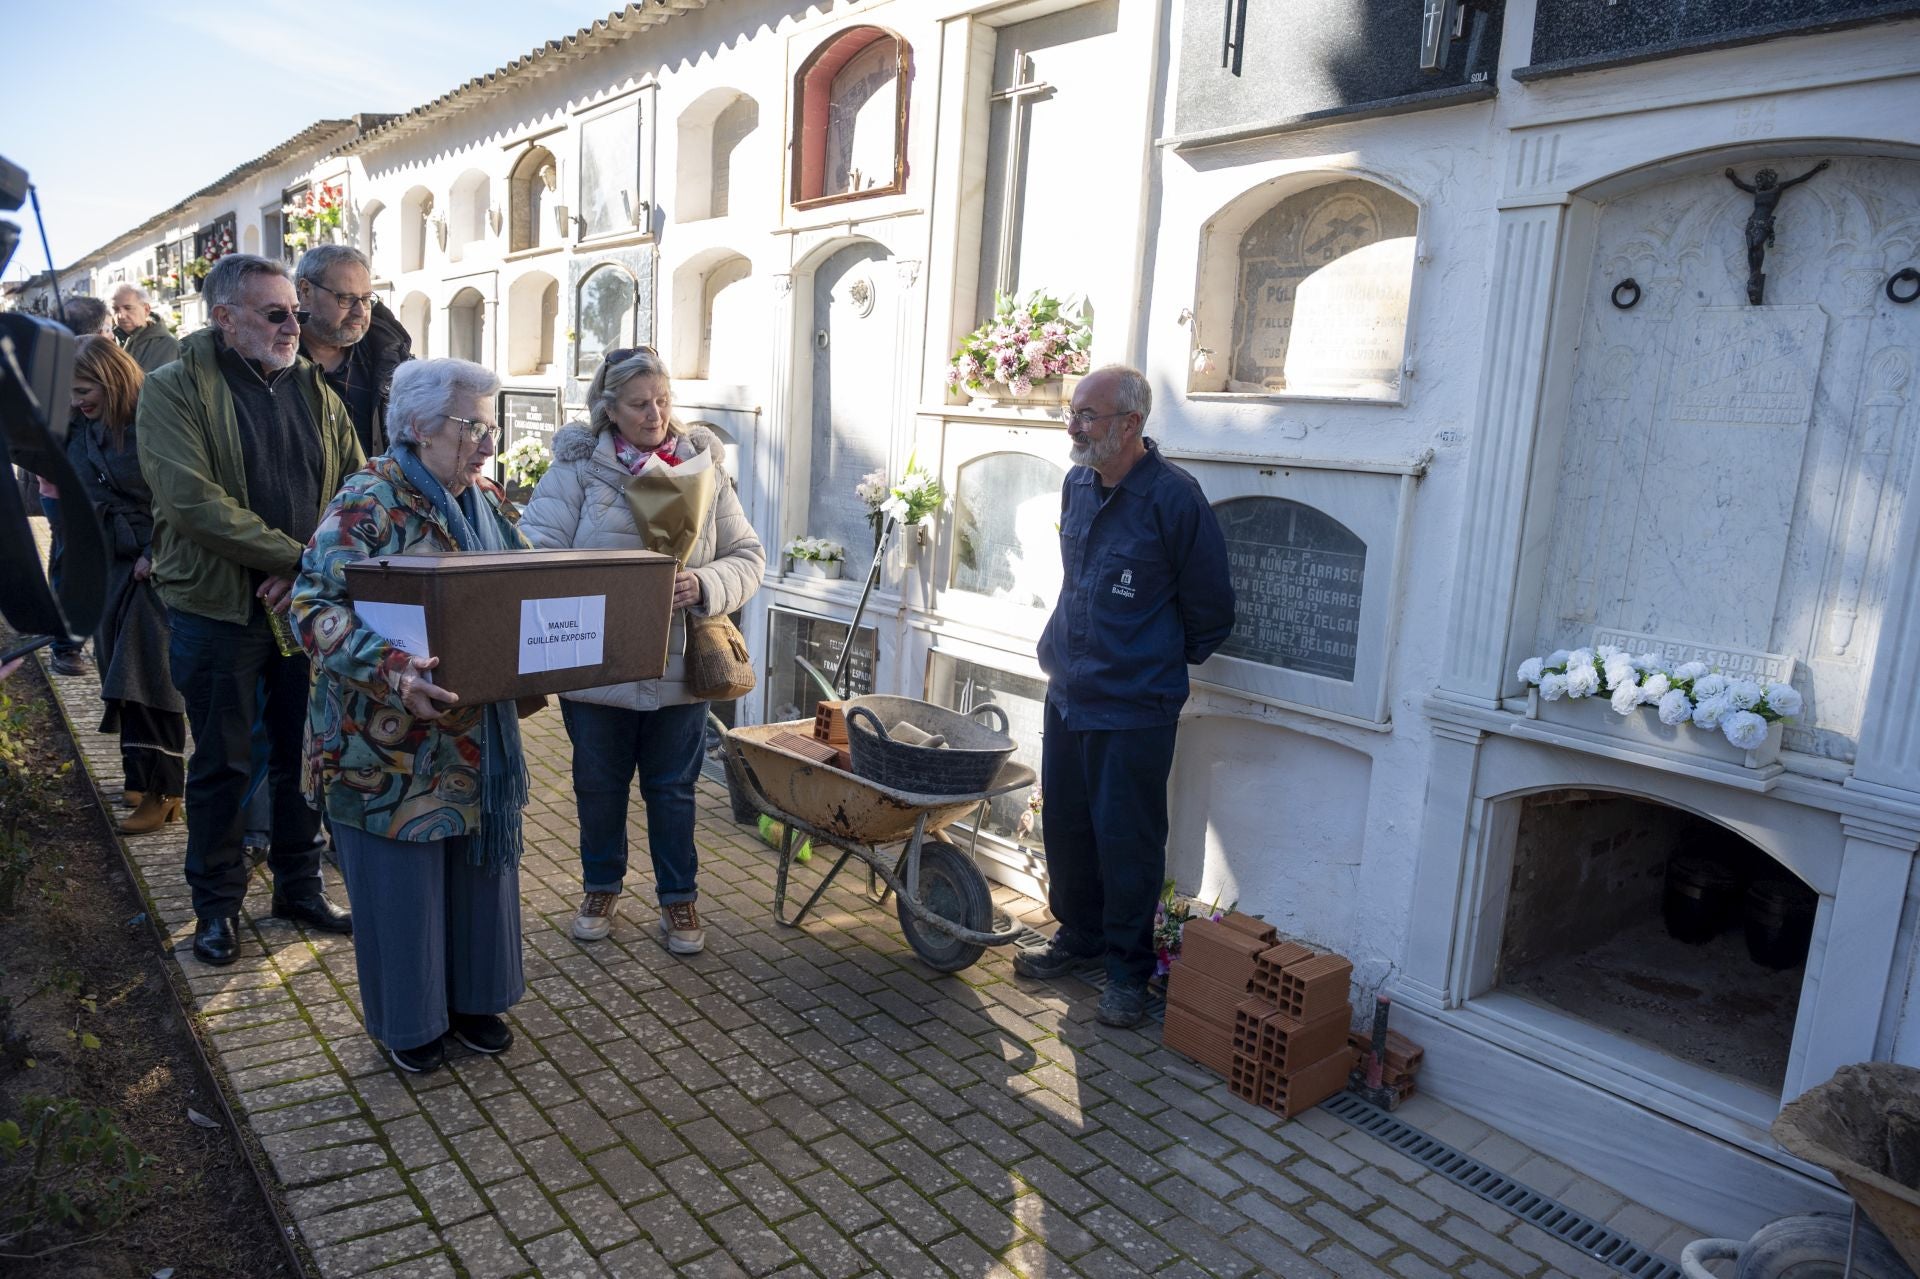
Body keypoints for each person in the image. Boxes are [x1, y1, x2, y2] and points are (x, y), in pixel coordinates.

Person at [291, 358, 527, 1074]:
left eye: (491, 425)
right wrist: (393, 671)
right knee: (402, 889)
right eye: (472, 426)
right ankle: (410, 1019)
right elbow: (311, 606)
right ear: (418, 427)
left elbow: (523, 584)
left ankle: (473, 1000)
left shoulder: (483, 497)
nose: (487, 442)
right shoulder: (370, 499)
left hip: (474, 737)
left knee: (478, 877)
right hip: (385, 746)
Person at [137, 252, 362, 967]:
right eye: (275, 313)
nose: (293, 324)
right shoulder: (172, 390)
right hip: (216, 609)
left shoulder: (316, 391)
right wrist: (293, 561)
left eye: (295, 311)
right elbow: (192, 502)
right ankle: (217, 904)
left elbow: (354, 491)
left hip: (300, 606)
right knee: (225, 765)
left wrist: (309, 570)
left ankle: (298, 885)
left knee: (305, 757)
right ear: (224, 318)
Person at [520, 346, 765, 954]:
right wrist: (607, 584)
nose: (654, 414)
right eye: (639, 404)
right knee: (598, 785)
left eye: (662, 400)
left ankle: (678, 900)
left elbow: (748, 557)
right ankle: (601, 886)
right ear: (609, 408)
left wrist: (704, 584)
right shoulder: (577, 470)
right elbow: (537, 551)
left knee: (672, 788)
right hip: (595, 661)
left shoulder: (702, 465)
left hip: (681, 662)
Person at [1015, 364, 1236, 1028]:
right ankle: (1077, 937)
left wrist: (1149, 662)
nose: (1074, 427)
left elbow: (1212, 612)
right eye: (1072, 413)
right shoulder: (1077, 483)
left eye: (1087, 415)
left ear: (1131, 424)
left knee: (1128, 842)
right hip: (1070, 692)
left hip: (1133, 708)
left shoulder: (1175, 500)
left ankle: (1127, 973)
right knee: (1069, 829)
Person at [65, 336, 186, 833]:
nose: (77, 400)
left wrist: (156, 553)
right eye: (70, 393)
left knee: (147, 676)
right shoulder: (84, 426)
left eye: (83, 388)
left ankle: (165, 792)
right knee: (116, 666)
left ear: (110, 377)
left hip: (156, 565)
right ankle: (138, 778)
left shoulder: (152, 422)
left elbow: (182, 493)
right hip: (113, 560)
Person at [38, 296, 114, 678]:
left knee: (73, 562)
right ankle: (66, 644)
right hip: (65, 489)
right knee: (71, 563)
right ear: (98, 330)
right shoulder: (57, 369)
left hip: (85, 489)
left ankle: (76, 642)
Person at [295, 245, 412, 456]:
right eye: (346, 299)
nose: (360, 311)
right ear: (305, 291)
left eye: (366, 299)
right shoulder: (273, 360)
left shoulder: (391, 354)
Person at [111, 283, 180, 372]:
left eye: (128, 308)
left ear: (146, 309)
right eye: (115, 309)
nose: (121, 316)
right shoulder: (107, 343)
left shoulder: (169, 346)